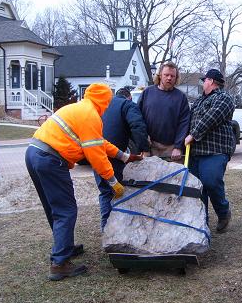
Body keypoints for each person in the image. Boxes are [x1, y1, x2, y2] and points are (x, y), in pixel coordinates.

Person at [25, 83, 138, 281]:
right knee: (66, 210)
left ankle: (64, 248)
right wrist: (113, 182)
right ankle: (60, 264)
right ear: (105, 101)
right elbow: (96, 155)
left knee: (54, 207)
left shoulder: (79, 108)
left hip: (34, 152)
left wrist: (124, 156)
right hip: (50, 159)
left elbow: (99, 143)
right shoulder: (91, 115)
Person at [184, 69, 236, 233]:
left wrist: (193, 134)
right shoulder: (199, 101)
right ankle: (202, 223)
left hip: (216, 150)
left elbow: (212, 117)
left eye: (204, 80)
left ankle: (223, 212)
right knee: (197, 188)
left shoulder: (224, 98)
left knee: (210, 181)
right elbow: (189, 120)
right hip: (195, 152)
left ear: (211, 81)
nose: (203, 83)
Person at [94, 87, 149, 230]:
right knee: (118, 190)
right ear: (129, 97)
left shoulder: (103, 105)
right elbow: (137, 125)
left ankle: (106, 226)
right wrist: (144, 148)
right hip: (114, 155)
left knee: (105, 191)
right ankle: (118, 228)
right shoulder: (127, 105)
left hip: (95, 152)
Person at [138, 61, 190, 161]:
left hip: (171, 149)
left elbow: (184, 124)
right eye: (166, 75)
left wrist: (178, 147)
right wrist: (143, 140)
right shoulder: (147, 93)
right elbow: (138, 119)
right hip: (149, 147)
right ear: (160, 75)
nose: (169, 78)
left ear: (176, 78)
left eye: (172, 76)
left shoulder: (181, 97)